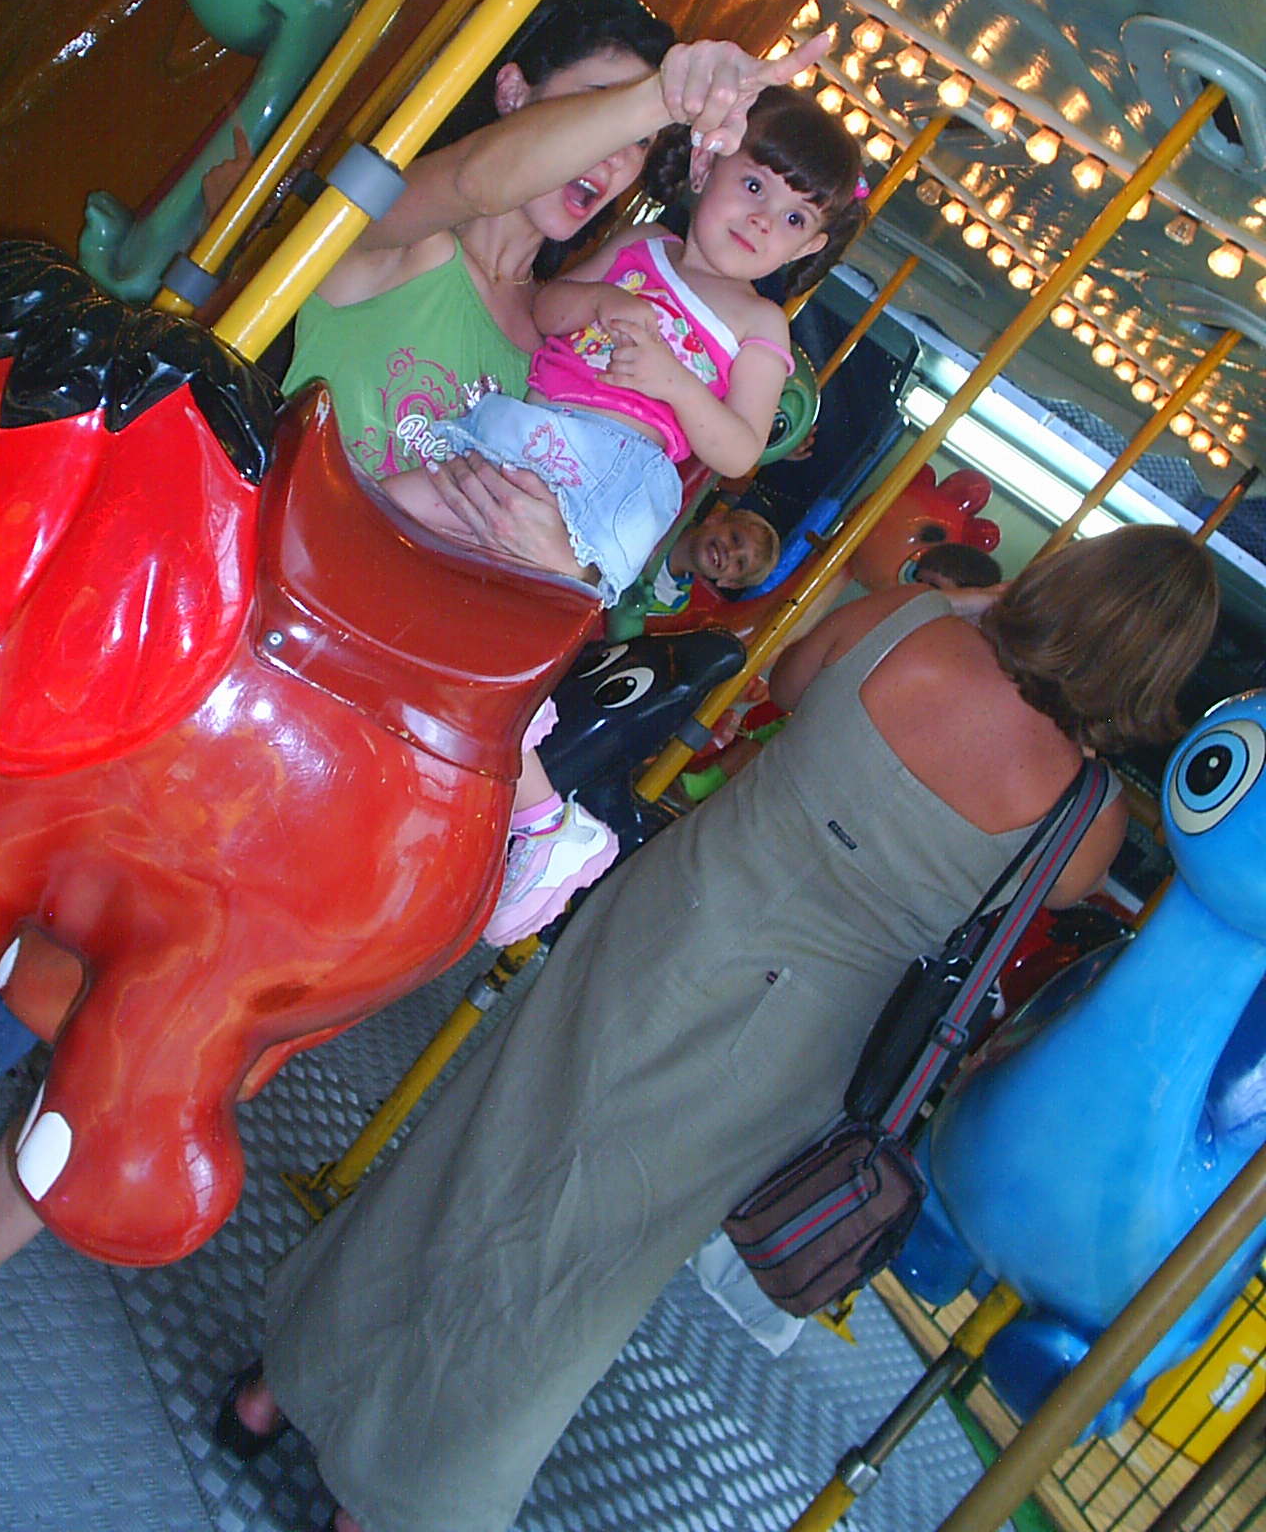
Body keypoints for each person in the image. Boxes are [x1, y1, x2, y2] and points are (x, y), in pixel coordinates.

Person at [0, 0, 817, 1480]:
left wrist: (544, 560)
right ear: (519, 94)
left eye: (636, 142)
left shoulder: (571, 345)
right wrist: (661, 98)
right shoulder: (417, 235)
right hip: (170, 677)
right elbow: (468, 183)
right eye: (595, 113)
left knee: (100, 1060)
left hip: (288, 794)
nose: (609, 163)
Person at [217, 523, 1218, 1532]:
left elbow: (789, 679)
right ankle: (394, 1497)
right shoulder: (1088, 821)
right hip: (793, 1042)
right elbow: (1029, 905)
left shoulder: (902, 624)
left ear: (1060, 579)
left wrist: (960, 607)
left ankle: (280, 1388)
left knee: (484, 1137)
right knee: (591, 1268)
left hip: (673, 917)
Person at [382, 84, 863, 937]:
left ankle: (536, 814)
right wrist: (606, 304)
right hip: (537, 431)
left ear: (812, 244)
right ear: (707, 164)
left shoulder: (761, 326)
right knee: (413, 542)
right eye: (755, 185)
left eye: (794, 218)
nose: (763, 221)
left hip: (606, 469)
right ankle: (524, 798)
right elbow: (548, 306)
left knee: (425, 538)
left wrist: (675, 382)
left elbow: (739, 449)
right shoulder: (642, 248)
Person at [645, 497, 782, 616]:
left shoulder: (673, 601)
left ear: (729, 582)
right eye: (734, 538)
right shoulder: (672, 507)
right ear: (716, 519)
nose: (730, 552)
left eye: (739, 563)